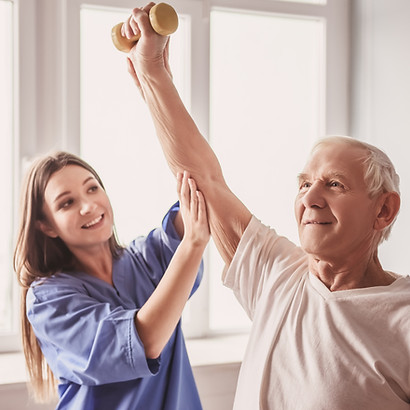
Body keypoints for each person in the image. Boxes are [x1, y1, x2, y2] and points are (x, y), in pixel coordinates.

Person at [122, 3, 410, 409]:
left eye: (334, 184)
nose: (310, 198)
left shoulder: (402, 317)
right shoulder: (278, 275)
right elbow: (203, 180)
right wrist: (153, 72)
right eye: (305, 183)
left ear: (384, 210)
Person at [14, 151, 210, 410]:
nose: (88, 206)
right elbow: (146, 341)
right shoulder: (48, 302)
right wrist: (193, 244)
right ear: (46, 226)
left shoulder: (147, 258)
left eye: (92, 188)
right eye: (67, 203)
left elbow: (202, 187)